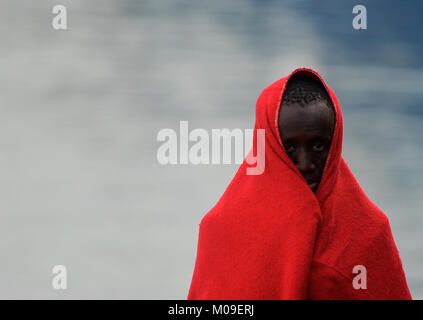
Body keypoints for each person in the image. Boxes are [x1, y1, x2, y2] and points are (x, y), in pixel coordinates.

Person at [187, 68, 412, 299]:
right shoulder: (221, 230)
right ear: (269, 145)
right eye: (290, 148)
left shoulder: (370, 232)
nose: (305, 165)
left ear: (334, 145)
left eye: (318, 147)